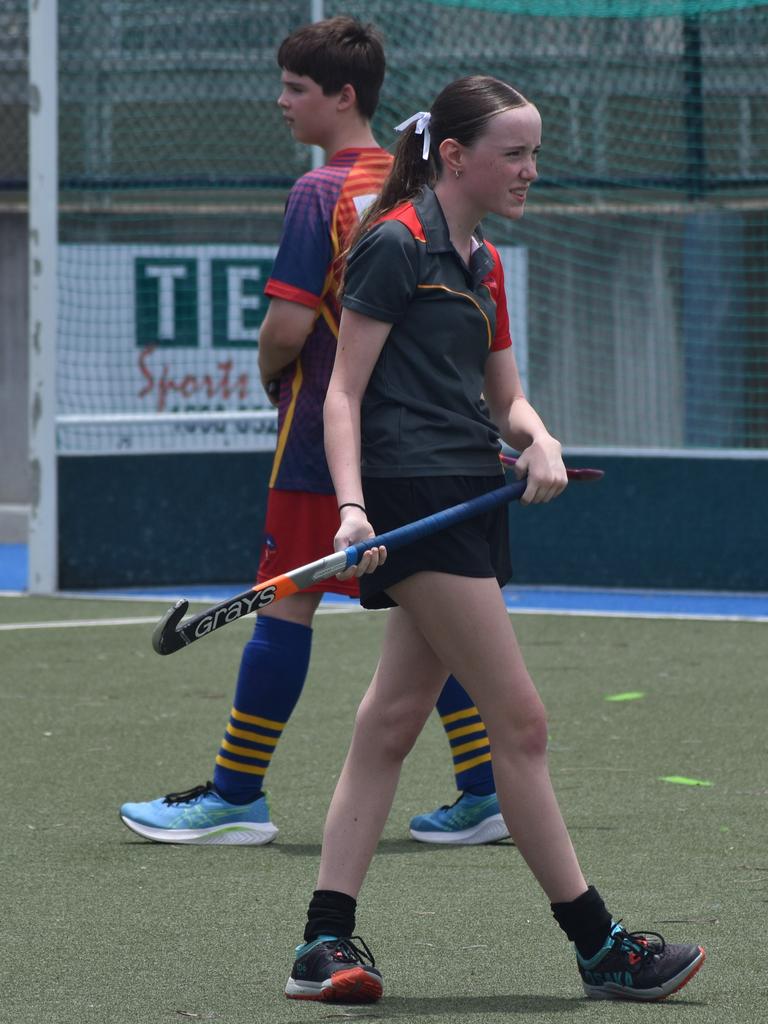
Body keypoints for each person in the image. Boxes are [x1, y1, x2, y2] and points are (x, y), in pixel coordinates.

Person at [283, 75, 706, 1003]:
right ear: (455, 157)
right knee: (519, 722)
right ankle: (602, 947)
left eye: (535, 153)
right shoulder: (394, 243)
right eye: (514, 153)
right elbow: (342, 393)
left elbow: (503, 395)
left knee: (389, 724)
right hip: (409, 496)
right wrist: (352, 508)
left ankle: (322, 947)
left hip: (471, 494)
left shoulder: (484, 261)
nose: (530, 170)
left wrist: (539, 437)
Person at [119, 17, 507, 846]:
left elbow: (289, 327)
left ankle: (234, 796)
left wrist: (269, 377)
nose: (282, 102)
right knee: (429, 610)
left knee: (285, 602)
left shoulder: (320, 191)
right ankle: (484, 787)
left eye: (296, 89)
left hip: (322, 439)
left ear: (343, 96)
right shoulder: (413, 187)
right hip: (419, 442)